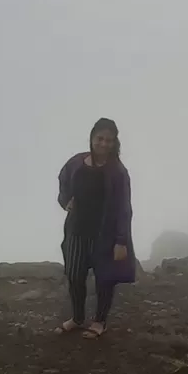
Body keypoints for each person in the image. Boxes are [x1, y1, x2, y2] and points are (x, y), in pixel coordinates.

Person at [57, 118, 136, 339]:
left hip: (105, 235)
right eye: (100, 138)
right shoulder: (76, 163)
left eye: (109, 140)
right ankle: (78, 318)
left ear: (114, 142)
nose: (104, 144)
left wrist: (121, 240)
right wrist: (65, 200)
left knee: (104, 279)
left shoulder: (118, 172)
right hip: (76, 231)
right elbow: (63, 181)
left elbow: (124, 208)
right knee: (74, 275)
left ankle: (100, 321)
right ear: (92, 138)